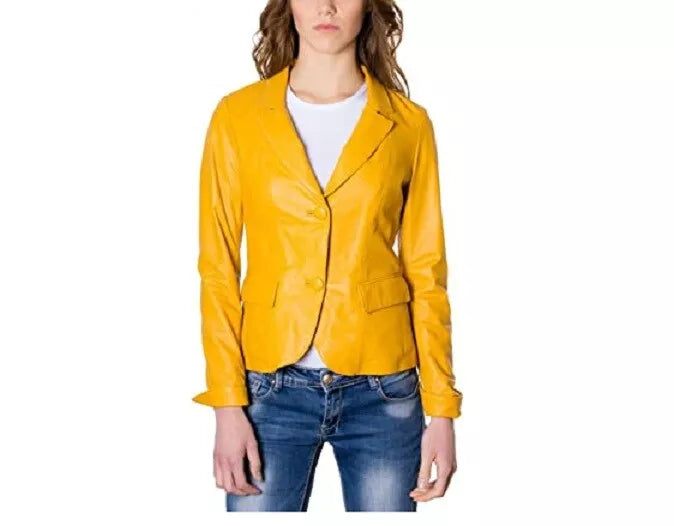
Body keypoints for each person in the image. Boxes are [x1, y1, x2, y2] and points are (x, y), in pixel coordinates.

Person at [192, 0, 463, 512]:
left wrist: (443, 410)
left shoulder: (408, 125)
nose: (327, 6)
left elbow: (426, 272)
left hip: (383, 389)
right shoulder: (238, 117)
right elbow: (218, 269)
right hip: (268, 389)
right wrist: (227, 404)